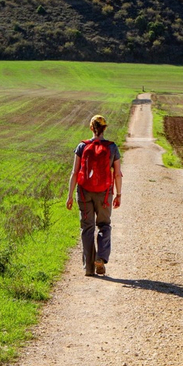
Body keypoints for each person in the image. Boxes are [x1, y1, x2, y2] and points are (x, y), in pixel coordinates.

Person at [66, 115, 122, 276]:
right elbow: (117, 174)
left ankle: (89, 268)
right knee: (104, 225)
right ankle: (101, 258)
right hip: (104, 194)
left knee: (87, 228)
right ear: (105, 128)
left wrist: (70, 195)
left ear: (91, 128)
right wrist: (118, 194)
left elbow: (74, 172)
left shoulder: (82, 146)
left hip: (84, 193)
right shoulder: (112, 148)